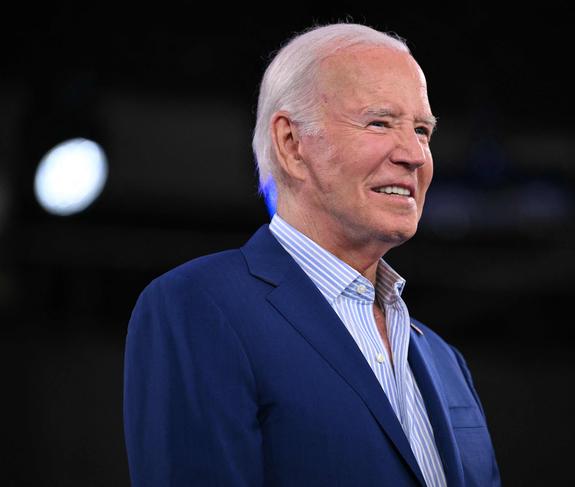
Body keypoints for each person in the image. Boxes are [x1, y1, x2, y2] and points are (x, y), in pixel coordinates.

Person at [124, 23, 501, 487]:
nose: (415, 155)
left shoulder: (445, 361)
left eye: (423, 130)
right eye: (380, 122)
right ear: (292, 144)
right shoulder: (199, 306)